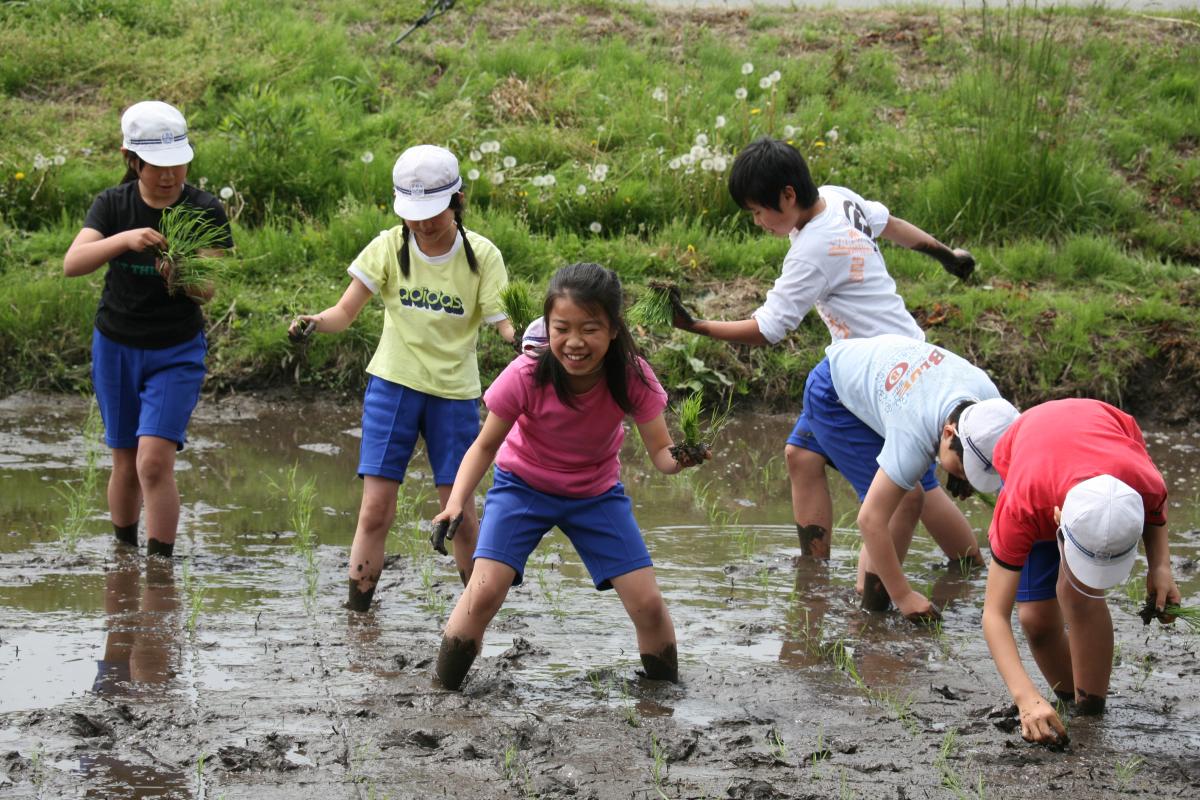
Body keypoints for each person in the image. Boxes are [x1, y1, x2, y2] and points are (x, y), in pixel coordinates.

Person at [672, 137, 979, 566]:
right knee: (801, 455)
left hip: (878, 376)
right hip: (904, 350)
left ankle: (912, 585)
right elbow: (889, 223)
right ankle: (815, 571)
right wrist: (945, 255)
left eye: (759, 211)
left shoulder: (812, 251)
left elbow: (768, 329)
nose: (758, 221)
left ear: (788, 196)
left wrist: (694, 325)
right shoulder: (837, 197)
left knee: (909, 488)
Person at [431, 262, 708, 690]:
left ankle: (665, 699)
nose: (575, 342)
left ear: (614, 329)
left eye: (590, 329)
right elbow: (484, 446)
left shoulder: (631, 375)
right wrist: (455, 505)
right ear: (547, 326)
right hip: (521, 487)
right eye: (562, 328)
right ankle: (442, 692)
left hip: (595, 495)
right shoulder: (527, 374)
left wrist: (684, 457)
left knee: (648, 603)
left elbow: (660, 453)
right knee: (484, 591)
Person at [288, 145, 514, 611]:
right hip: (392, 388)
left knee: (463, 517)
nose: (423, 224)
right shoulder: (389, 246)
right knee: (375, 511)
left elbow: (503, 323)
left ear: (457, 200)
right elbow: (344, 312)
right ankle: (358, 618)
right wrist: (314, 322)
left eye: (433, 212)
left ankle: (473, 618)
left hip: (453, 397)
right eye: (414, 214)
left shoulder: (482, 257)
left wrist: (531, 339)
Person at [63, 101, 232, 558]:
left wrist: (179, 275)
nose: (168, 175)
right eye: (157, 165)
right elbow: (72, 263)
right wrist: (125, 239)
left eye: (178, 163)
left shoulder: (203, 209)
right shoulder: (112, 206)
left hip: (175, 350)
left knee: (153, 463)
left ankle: (159, 570)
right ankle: (123, 557)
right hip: (116, 345)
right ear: (131, 159)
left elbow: (208, 290)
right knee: (123, 461)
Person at [968, 399, 1181, 744]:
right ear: (1057, 520)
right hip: (1032, 458)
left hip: (1105, 441)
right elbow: (994, 614)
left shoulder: (1143, 483)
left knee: (1078, 595)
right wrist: (1026, 697)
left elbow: (1157, 509)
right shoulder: (1022, 507)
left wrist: (1160, 566)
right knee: (1035, 618)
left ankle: (1090, 714)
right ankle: (1062, 703)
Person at [797, 333, 1015, 620]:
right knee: (906, 500)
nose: (967, 476)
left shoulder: (992, 409)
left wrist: (966, 471)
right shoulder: (914, 435)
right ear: (948, 434)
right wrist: (904, 596)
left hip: (890, 382)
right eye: (965, 467)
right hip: (835, 394)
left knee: (910, 489)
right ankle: (869, 609)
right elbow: (870, 519)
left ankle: (876, 598)